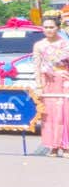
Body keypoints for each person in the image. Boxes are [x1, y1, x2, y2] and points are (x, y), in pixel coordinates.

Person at [33, 12, 69, 157]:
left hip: (64, 82)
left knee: (65, 114)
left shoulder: (65, 44)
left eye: (52, 27)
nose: (49, 30)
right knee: (50, 116)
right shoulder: (39, 45)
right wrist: (38, 85)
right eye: (46, 27)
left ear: (58, 28)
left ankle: (66, 146)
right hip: (47, 83)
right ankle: (53, 146)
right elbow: (36, 66)